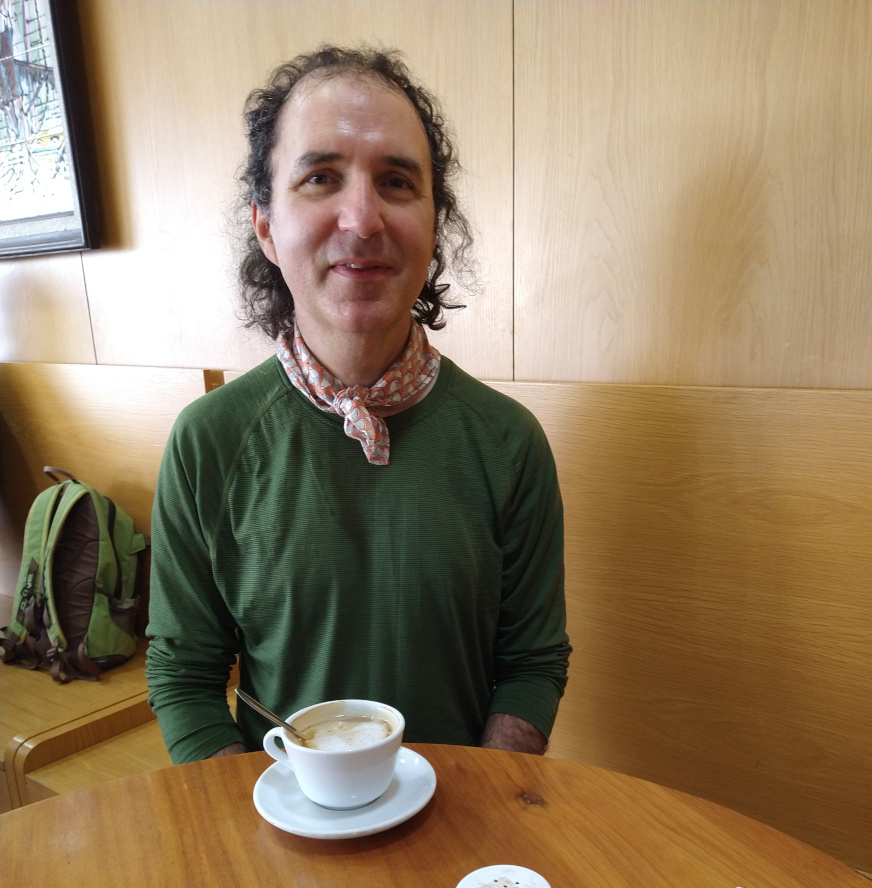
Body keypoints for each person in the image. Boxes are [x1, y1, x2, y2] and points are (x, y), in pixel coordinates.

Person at [146, 45, 570, 763]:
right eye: (320, 178)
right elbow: (185, 677)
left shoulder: (510, 443)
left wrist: (485, 804)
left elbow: (531, 665)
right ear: (267, 228)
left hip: (465, 833)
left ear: (434, 225)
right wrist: (264, 819)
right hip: (279, 835)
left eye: (397, 182)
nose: (362, 217)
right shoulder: (208, 442)